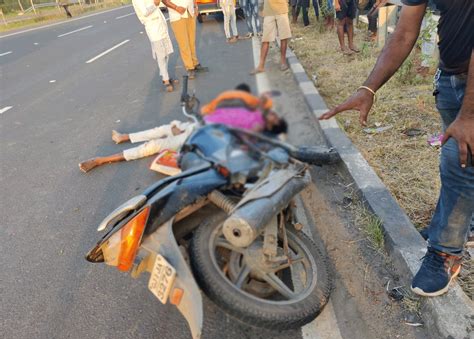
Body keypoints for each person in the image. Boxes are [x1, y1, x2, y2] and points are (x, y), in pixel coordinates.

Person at [320, 0, 474, 297]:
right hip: (450, 79)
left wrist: (469, 114)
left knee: (458, 163)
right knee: (463, 160)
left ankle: (445, 252)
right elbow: (404, 32)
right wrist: (368, 89)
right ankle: (460, 224)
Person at [79, 84, 288, 173]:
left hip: (198, 140)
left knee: (155, 144)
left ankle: (101, 160)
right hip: (195, 127)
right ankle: (125, 137)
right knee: (163, 128)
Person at [133, 0, 177, 92]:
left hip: (161, 26)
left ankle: (166, 76)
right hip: (153, 29)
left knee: (167, 53)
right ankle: (166, 80)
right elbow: (144, 12)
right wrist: (155, 4)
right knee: (161, 55)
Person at [162, 0, 206, 79]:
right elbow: (165, 1)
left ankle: (195, 63)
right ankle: (190, 67)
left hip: (190, 12)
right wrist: (176, 8)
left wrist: (195, 7)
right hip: (178, 15)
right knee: (184, 44)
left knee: (192, 41)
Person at [251, 0, 292, 74]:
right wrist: (261, 9)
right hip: (268, 12)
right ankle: (261, 66)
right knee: (265, 39)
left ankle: (283, 62)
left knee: (283, 37)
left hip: (281, 9)